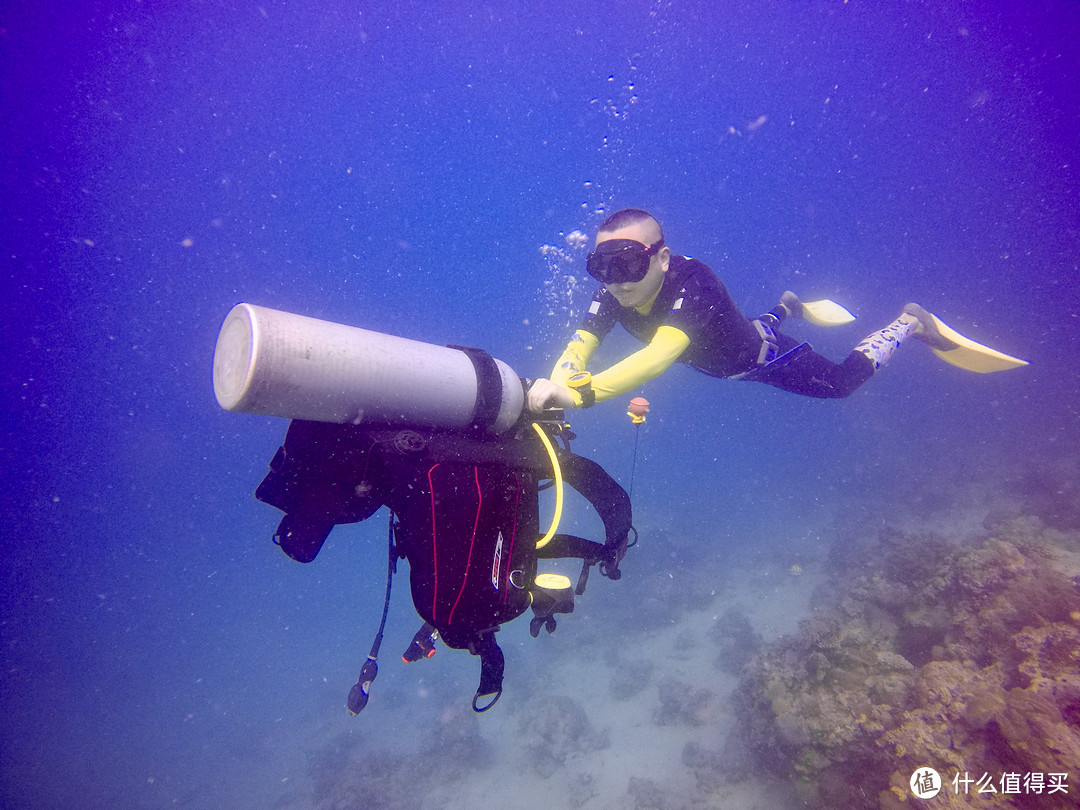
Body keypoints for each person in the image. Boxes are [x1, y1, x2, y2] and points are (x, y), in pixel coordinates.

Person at [527, 208, 1025, 412]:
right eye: (601, 267)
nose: (615, 282)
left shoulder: (692, 283)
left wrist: (581, 397)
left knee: (838, 386)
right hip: (729, 344)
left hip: (756, 358)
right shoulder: (613, 291)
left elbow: (658, 357)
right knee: (747, 326)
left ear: (660, 257)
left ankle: (910, 321)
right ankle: (785, 305)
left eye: (628, 264)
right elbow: (580, 345)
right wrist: (560, 378)